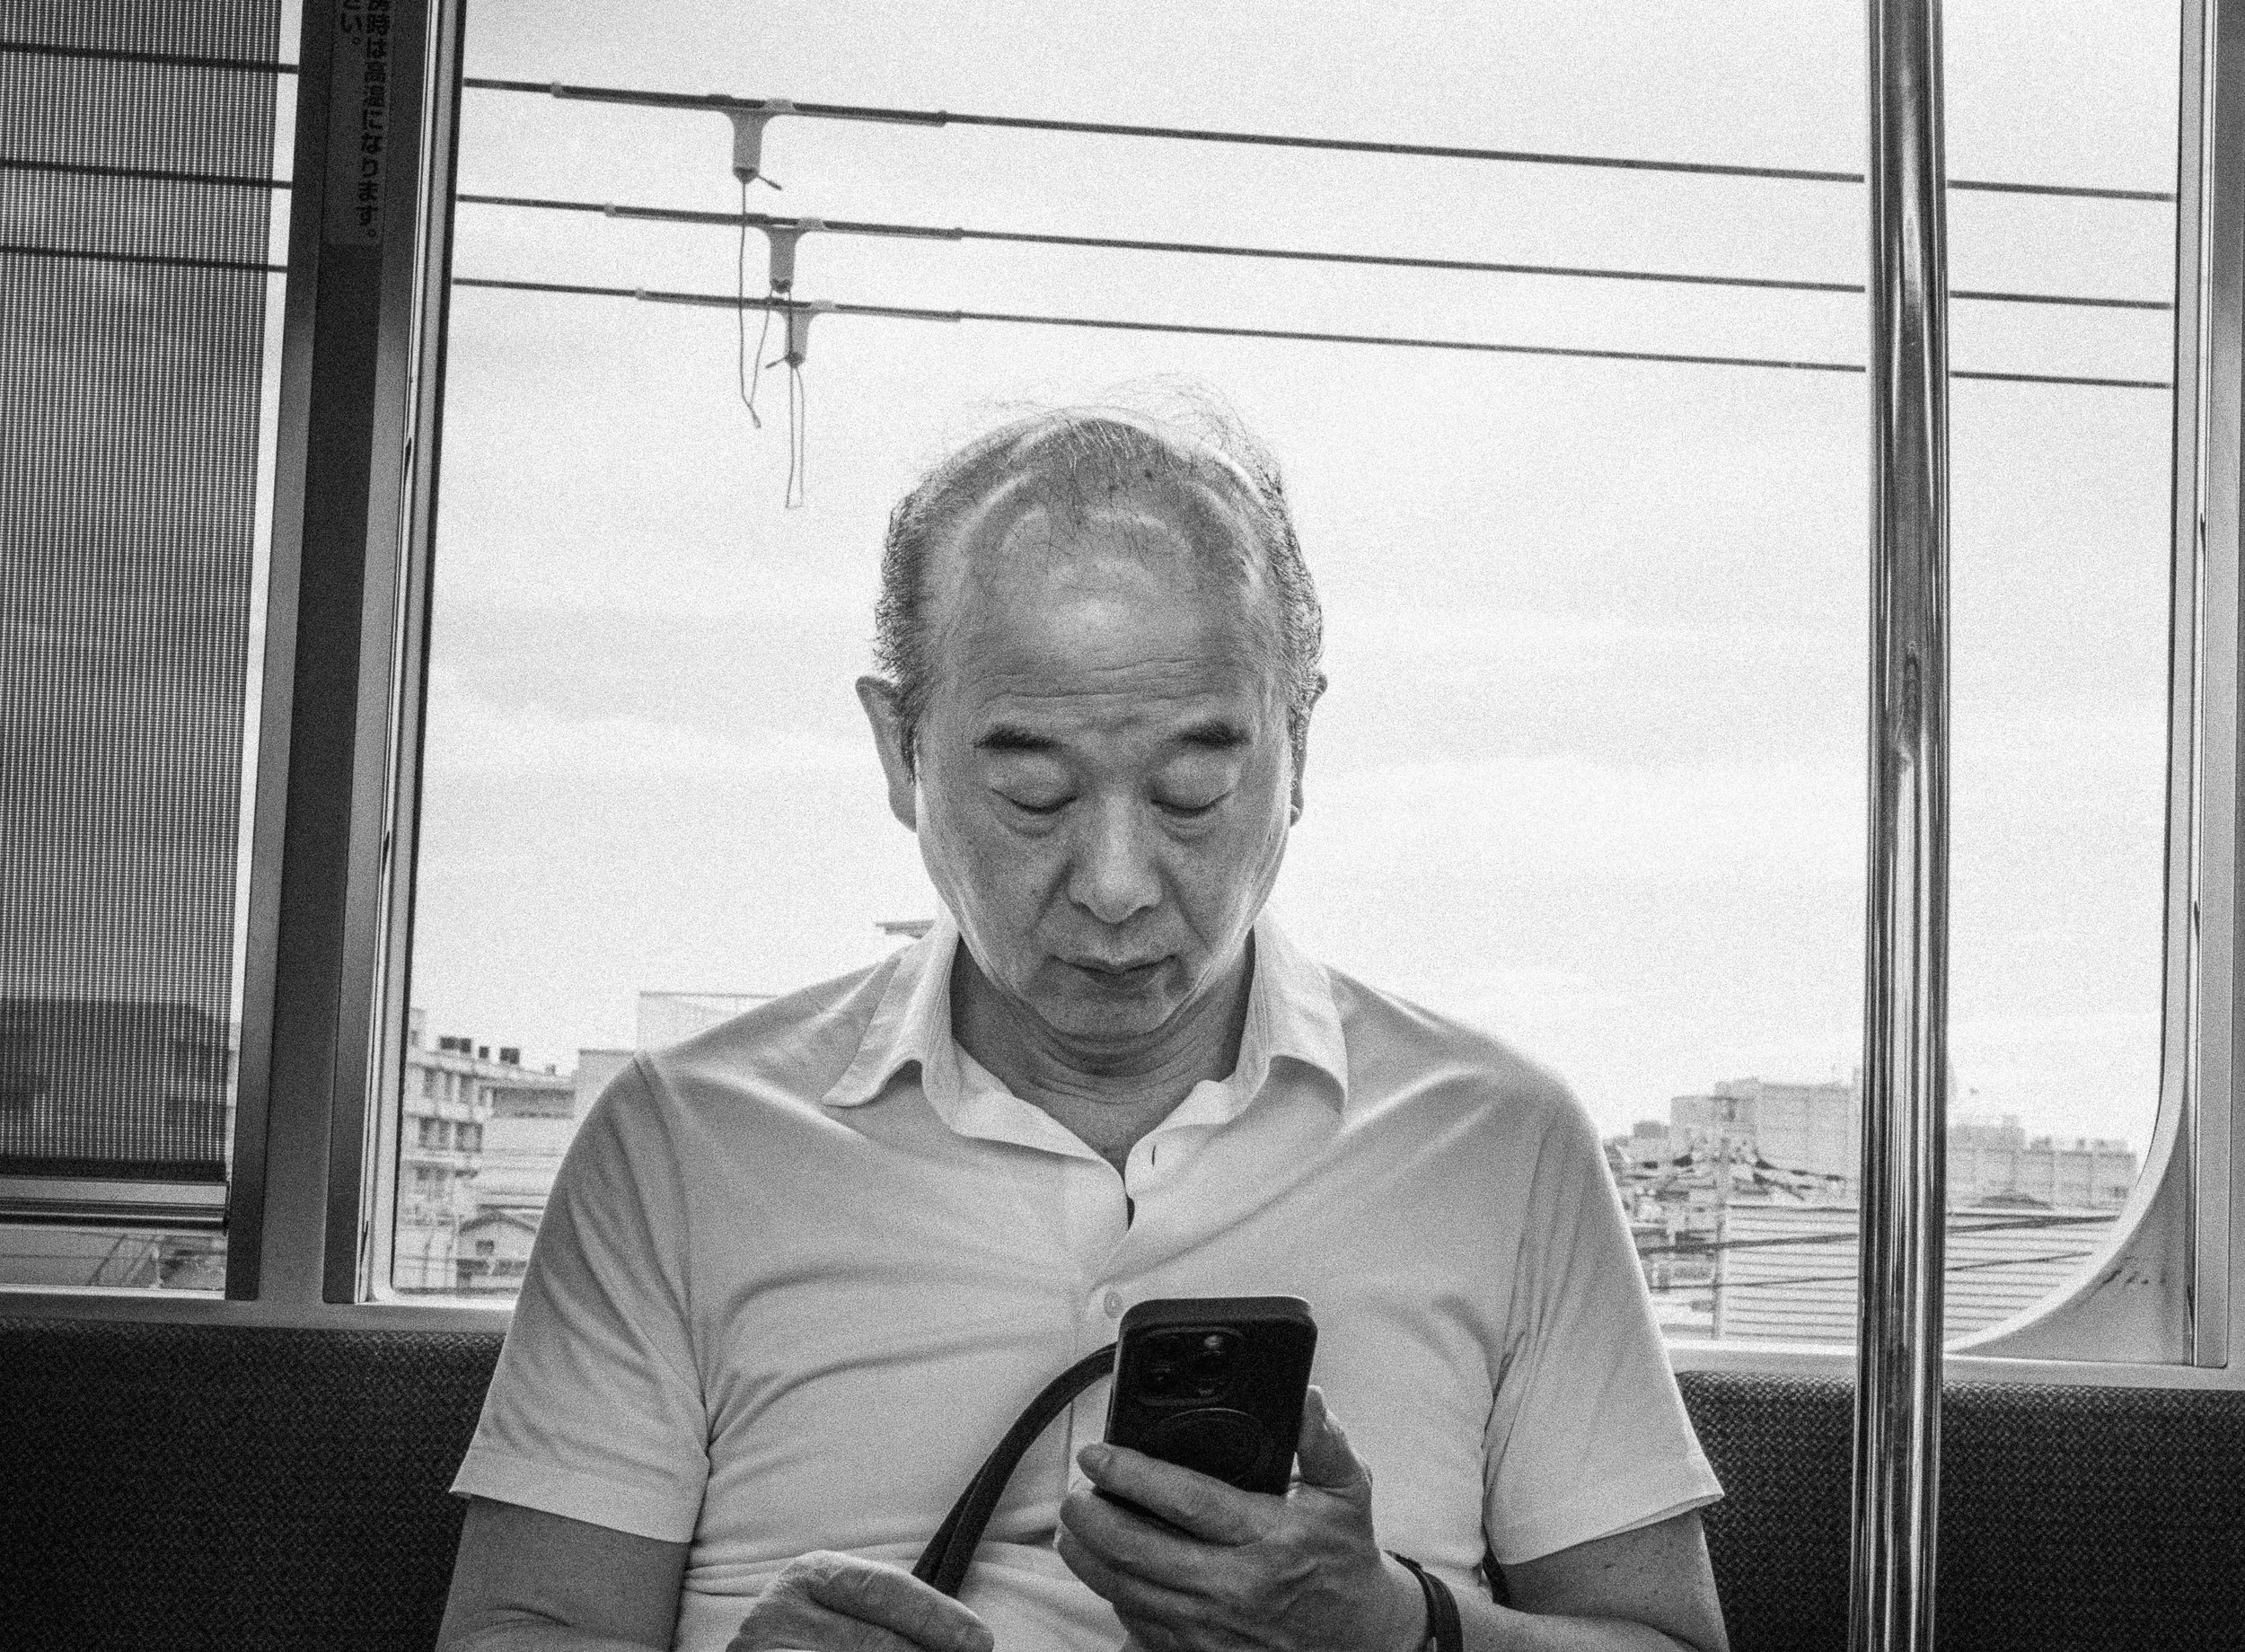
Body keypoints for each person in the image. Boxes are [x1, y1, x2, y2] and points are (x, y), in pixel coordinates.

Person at [437, 404, 1729, 1652]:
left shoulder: (1498, 1140)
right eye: (1034, 792)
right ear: (902, 752)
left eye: (1192, 789)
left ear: (1299, 741)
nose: (1115, 883)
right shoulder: (681, 1143)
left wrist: (1396, 1631)